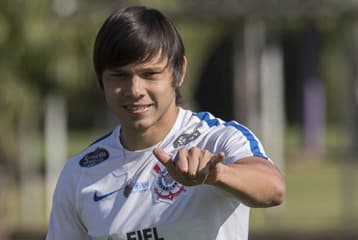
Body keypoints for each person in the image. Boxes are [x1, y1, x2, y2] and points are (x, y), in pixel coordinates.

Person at [46, 5, 285, 240]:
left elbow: (273, 188)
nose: (135, 90)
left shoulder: (217, 139)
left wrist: (217, 175)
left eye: (150, 74)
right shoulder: (79, 174)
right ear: (101, 80)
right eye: (119, 75)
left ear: (179, 71)